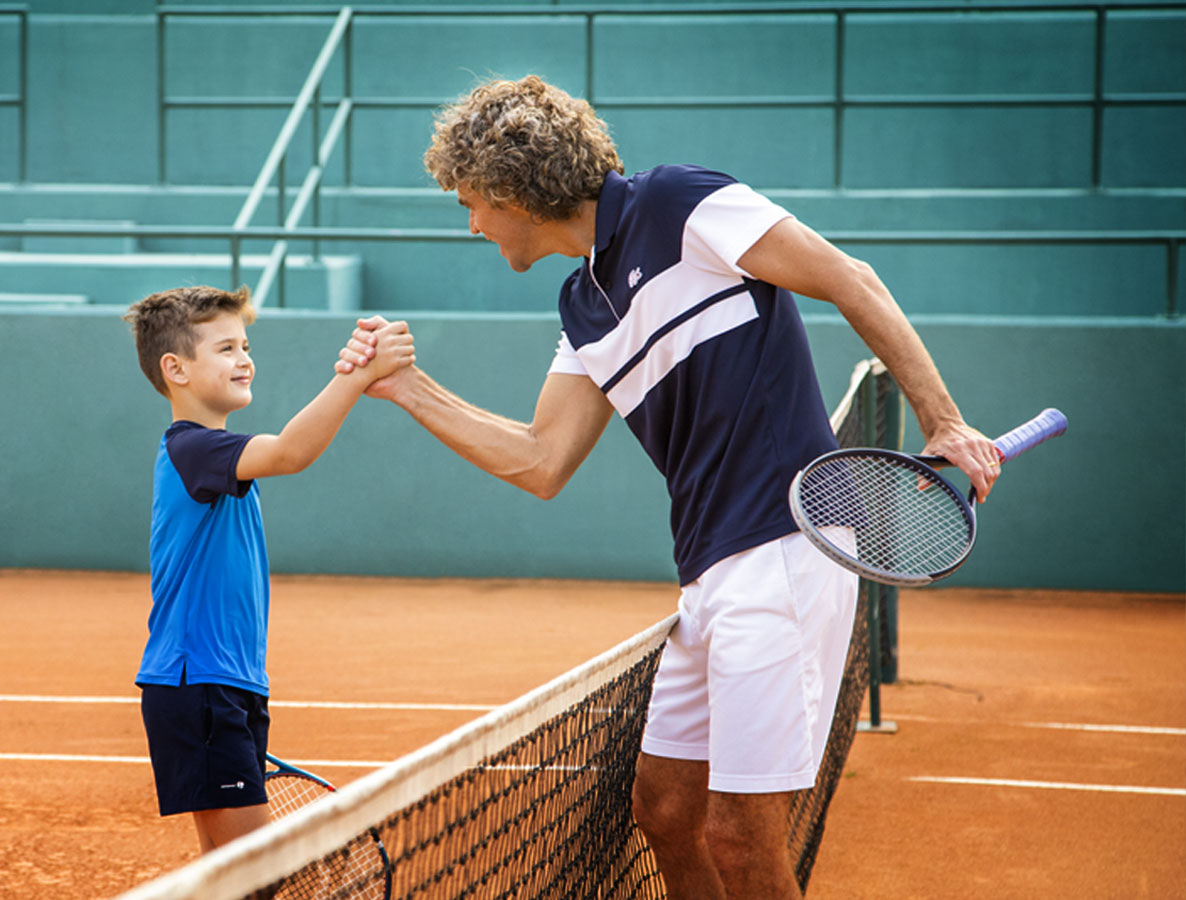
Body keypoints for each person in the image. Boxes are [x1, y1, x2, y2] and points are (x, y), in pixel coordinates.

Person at [337, 75, 1002, 899]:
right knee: (664, 809)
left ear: (515, 188)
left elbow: (850, 278)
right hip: (708, 576)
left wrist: (944, 421)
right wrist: (409, 389)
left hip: (786, 549)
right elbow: (541, 461)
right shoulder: (583, 304)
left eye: (472, 200)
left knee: (741, 840)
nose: (471, 223)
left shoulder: (681, 204)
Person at [123, 285, 413, 855]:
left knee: (229, 875)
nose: (245, 358)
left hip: (222, 684)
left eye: (245, 345)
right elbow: (291, 453)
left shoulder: (213, 456)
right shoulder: (194, 450)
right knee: (255, 873)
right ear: (175, 369)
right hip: (200, 684)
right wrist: (355, 375)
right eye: (226, 348)